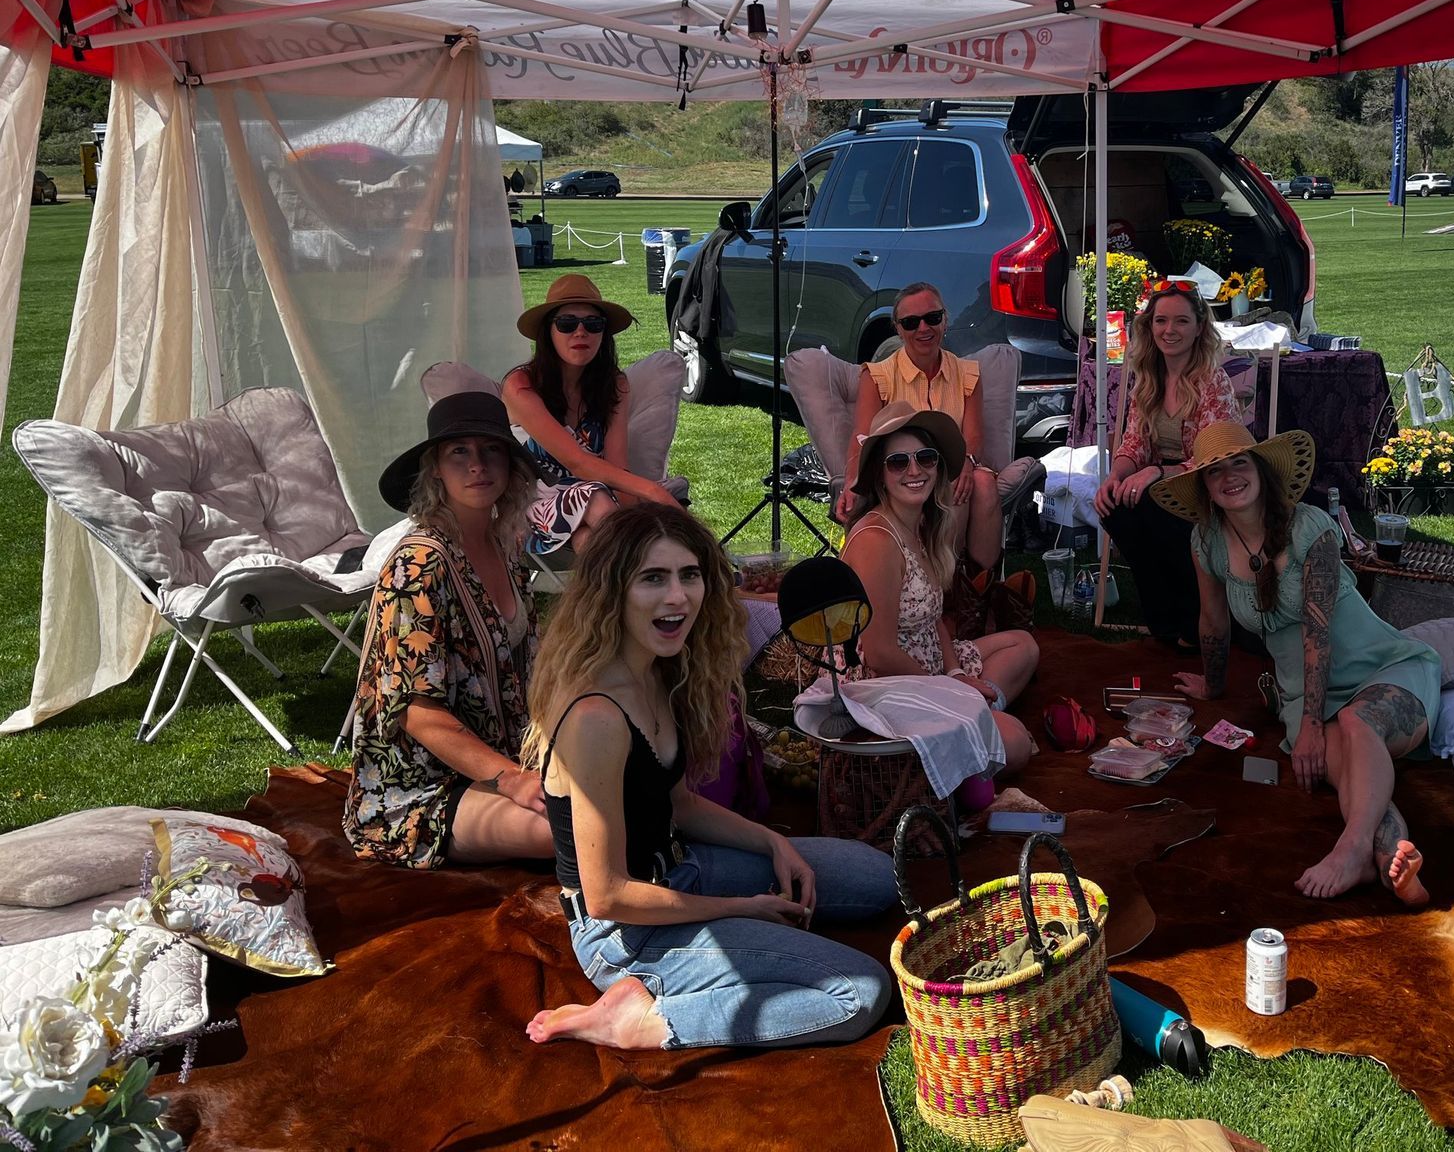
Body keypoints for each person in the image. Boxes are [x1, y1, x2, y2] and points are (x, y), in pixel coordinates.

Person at [523, 503, 897, 1051]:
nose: (678, 597)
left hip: (683, 870)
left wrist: (775, 845)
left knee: (877, 878)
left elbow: (680, 806)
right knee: (859, 992)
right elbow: (606, 896)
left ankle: (699, 960)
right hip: (624, 931)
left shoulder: (660, 672)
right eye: (653, 578)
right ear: (612, 590)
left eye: (689, 575)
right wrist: (743, 909)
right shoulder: (595, 717)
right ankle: (641, 1022)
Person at [1153, 422, 1443, 906]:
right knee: (1352, 771)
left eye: (1239, 463)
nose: (1229, 477)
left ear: (1262, 469)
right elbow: (1213, 620)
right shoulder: (1206, 540)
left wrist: (1310, 725)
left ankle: (1350, 850)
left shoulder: (1313, 528)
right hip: (1302, 692)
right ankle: (1395, 861)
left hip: (1382, 669)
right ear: (1204, 487)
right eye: (1215, 471)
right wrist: (1213, 684)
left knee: (1355, 721)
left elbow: (1318, 632)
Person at [344, 391, 553, 867]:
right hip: (425, 788)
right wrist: (512, 780)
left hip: (511, 758)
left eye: (492, 449)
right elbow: (418, 714)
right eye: (459, 451)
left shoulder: (506, 547)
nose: (477, 464)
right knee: (582, 829)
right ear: (435, 467)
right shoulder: (417, 566)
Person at [839, 403, 1038, 774]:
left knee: (1023, 645)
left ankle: (972, 723)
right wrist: (950, 690)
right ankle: (970, 727)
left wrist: (956, 674)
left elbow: (932, 619)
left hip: (928, 667)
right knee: (1016, 744)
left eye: (925, 458)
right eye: (898, 462)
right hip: (887, 685)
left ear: (937, 467)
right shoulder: (876, 540)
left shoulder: (920, 525)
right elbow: (879, 654)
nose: (914, 471)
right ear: (880, 476)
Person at [1093, 282, 1240, 650]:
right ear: (1149, 326)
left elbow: (1216, 457)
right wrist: (1116, 476)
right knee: (1114, 508)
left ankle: (1193, 620)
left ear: (1199, 328)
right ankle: (1163, 618)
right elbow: (1134, 443)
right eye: (1161, 321)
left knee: (1157, 512)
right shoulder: (1149, 377)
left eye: (1180, 322)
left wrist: (1156, 472)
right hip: (1161, 482)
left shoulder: (1211, 380)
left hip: (1210, 481)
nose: (1169, 331)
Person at [502, 273, 675, 557]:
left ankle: (618, 597)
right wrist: (655, 492)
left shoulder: (614, 384)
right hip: (533, 506)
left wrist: (632, 513)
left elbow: (618, 465)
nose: (580, 332)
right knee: (594, 498)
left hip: (596, 506)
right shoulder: (521, 385)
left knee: (588, 541)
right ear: (548, 332)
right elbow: (577, 462)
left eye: (593, 324)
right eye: (567, 323)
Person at [838, 282, 1002, 573]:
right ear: (898, 330)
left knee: (984, 484)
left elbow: (974, 435)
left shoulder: (967, 373)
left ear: (945, 320)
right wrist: (852, 485)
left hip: (951, 464)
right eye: (912, 323)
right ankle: (943, 580)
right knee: (947, 484)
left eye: (933, 318)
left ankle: (978, 589)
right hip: (904, 469)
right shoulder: (878, 376)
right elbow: (862, 438)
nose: (923, 328)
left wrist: (966, 460)